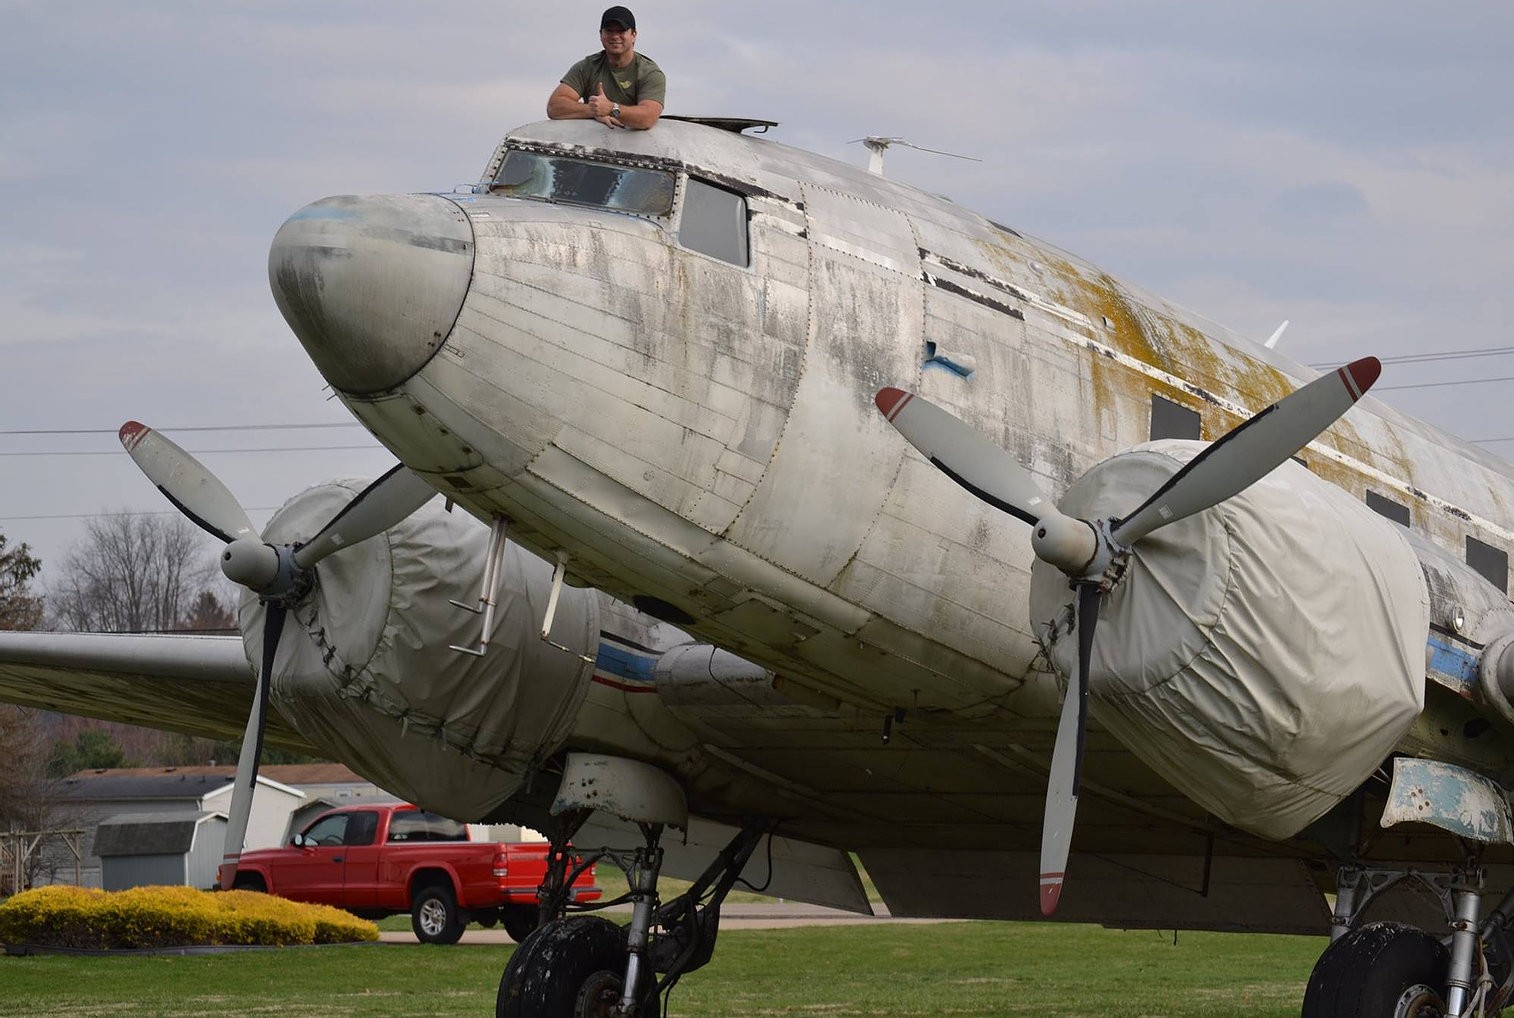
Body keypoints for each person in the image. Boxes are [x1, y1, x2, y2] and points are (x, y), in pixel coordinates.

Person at [547, 6, 665, 130]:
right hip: (595, 139)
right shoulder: (587, 67)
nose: (615, 36)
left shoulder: (650, 73)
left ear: (633, 35)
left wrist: (612, 109)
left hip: (637, 140)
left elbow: (647, 118)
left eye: (621, 31)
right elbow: (554, 107)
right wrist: (594, 110)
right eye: (609, 31)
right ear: (601, 34)